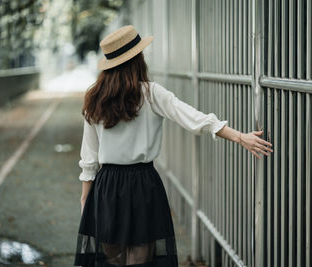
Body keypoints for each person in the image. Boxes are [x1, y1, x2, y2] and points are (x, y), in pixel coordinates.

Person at [73, 25, 273, 267]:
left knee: (111, 259)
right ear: (138, 59)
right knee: (141, 258)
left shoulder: (95, 98)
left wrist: (87, 202)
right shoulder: (151, 93)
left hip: (106, 189)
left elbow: (89, 160)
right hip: (142, 185)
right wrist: (241, 137)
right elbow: (194, 118)